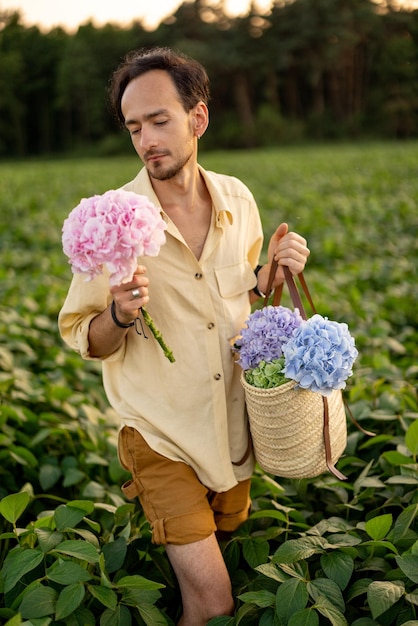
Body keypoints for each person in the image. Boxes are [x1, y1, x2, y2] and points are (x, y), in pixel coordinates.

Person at [58, 47, 310, 625]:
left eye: (160, 120)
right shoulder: (111, 222)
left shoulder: (237, 199)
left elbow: (238, 298)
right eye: (134, 127)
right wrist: (119, 314)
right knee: (214, 602)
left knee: (213, 568)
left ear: (198, 119)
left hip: (232, 429)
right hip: (160, 434)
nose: (147, 139)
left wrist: (272, 274)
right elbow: (85, 338)